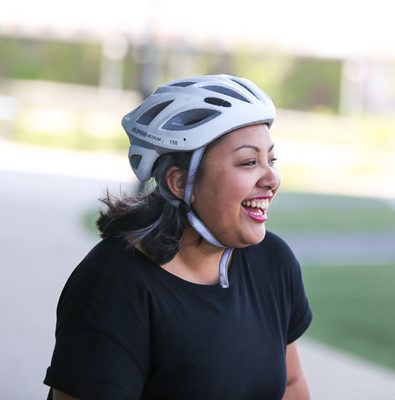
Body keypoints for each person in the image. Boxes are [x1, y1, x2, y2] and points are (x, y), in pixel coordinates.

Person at [43, 74, 313, 399]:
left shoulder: (273, 262)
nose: (272, 178)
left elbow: (291, 385)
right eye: (248, 162)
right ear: (179, 182)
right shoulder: (114, 285)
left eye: (271, 160)